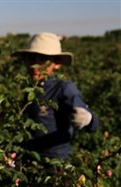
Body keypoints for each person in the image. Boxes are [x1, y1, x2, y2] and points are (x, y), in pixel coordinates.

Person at [12, 32, 99, 160]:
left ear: (56, 63)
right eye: (31, 58)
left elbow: (92, 122)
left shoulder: (63, 88)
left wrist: (88, 119)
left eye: (42, 59)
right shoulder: (29, 89)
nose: (35, 65)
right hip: (28, 159)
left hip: (54, 161)